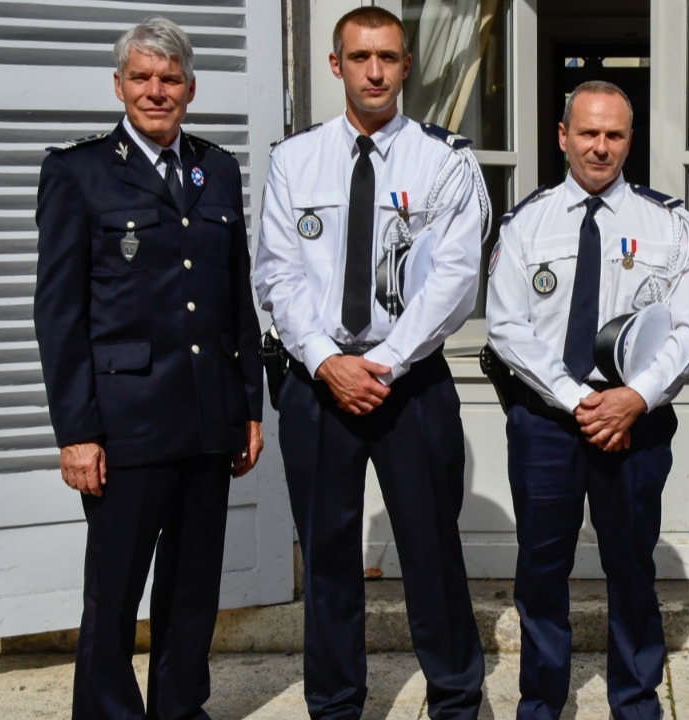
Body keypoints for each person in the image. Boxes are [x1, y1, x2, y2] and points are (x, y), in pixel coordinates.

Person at [253, 7, 489, 719]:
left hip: (410, 386)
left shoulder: (445, 159)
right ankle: (335, 705)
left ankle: (454, 700)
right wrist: (329, 362)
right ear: (336, 65)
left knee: (432, 556)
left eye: (389, 56)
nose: (376, 71)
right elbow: (276, 276)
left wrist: (379, 362)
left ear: (408, 64)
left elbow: (454, 281)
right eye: (360, 57)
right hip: (316, 388)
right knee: (327, 560)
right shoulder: (294, 160)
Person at [33, 17, 264, 720]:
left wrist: (248, 405)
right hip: (124, 425)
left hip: (205, 418)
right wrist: (77, 432)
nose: (156, 91)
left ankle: (178, 710)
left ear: (190, 87)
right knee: (113, 593)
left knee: (192, 592)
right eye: (142, 77)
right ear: (119, 85)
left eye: (169, 79)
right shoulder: (78, 173)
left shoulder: (216, 169)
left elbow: (236, 299)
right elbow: (59, 315)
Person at [484, 80, 689, 720]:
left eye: (614, 134)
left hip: (635, 424)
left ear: (630, 139)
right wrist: (572, 399)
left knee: (632, 572)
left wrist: (633, 398)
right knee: (540, 573)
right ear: (563, 136)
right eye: (588, 133)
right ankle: (541, 703)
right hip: (546, 424)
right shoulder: (525, 221)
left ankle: (636, 703)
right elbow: (506, 326)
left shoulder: (669, 223)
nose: (601, 147)